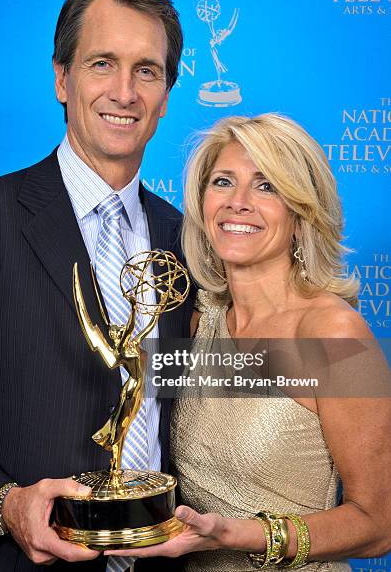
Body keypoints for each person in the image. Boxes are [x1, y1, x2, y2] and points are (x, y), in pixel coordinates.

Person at [0, 0, 192, 571]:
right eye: (102, 63)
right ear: (62, 77)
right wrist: (4, 505)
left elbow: (212, 391)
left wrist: (339, 366)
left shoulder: (188, 243)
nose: (125, 91)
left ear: (166, 94)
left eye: (147, 70)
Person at [105, 114, 391, 570]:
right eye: (223, 181)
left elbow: (378, 524)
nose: (238, 203)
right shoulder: (195, 324)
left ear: (301, 213)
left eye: (266, 187)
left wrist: (241, 533)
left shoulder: (332, 332)